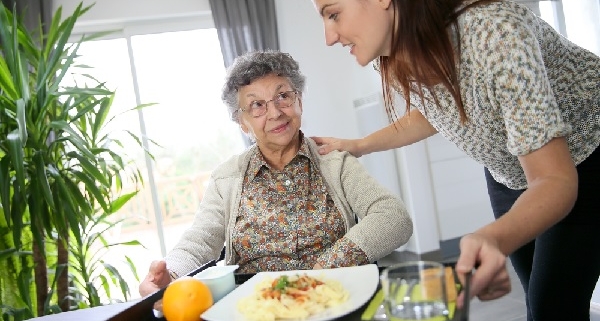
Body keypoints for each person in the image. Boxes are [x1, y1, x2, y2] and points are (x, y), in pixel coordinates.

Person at [311, 0, 600, 319]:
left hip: (586, 155)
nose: (328, 37)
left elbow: (554, 179)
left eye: (333, 14)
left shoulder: (496, 34)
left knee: (553, 306)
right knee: (537, 297)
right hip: (510, 173)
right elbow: (437, 109)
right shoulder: (390, 53)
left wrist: (490, 236)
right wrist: (359, 145)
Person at [138, 50, 413, 305]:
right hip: (257, 307)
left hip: (332, 299)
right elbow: (200, 240)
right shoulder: (227, 178)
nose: (275, 112)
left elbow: (393, 217)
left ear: (299, 101)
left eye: (283, 96)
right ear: (242, 122)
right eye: (257, 105)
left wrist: (325, 268)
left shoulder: (335, 162)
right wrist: (170, 273)